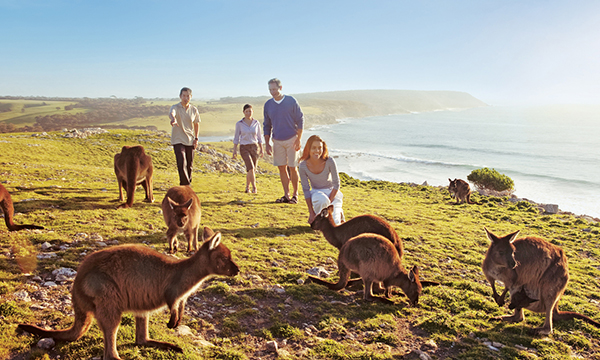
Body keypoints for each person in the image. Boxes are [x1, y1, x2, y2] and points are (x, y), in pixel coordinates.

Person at [263, 78, 304, 204]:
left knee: (293, 167)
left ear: (280, 88)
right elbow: (267, 125)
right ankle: (286, 195)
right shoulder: (268, 105)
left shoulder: (291, 101)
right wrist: (267, 143)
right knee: (281, 168)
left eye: (274, 89)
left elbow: (300, 119)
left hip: (292, 139)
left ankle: (295, 195)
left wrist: (298, 139)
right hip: (277, 141)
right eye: (270, 90)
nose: (272, 92)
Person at [299, 135, 344, 225]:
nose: (317, 151)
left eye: (320, 148)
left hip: (332, 193)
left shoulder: (329, 161)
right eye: (314, 148)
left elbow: (336, 184)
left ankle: (338, 212)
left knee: (335, 224)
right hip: (317, 193)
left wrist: (330, 202)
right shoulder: (303, 166)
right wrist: (311, 213)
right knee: (322, 200)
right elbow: (306, 189)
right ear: (308, 149)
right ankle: (335, 212)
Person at [169, 87, 200, 186]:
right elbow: (171, 113)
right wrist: (173, 119)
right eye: (184, 96)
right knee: (182, 163)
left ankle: (187, 184)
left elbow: (196, 124)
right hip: (178, 139)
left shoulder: (194, 109)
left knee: (189, 165)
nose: (186, 98)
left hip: (190, 140)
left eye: (188, 96)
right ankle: (186, 186)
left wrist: (196, 138)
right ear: (180, 96)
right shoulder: (175, 107)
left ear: (190, 97)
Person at [233, 104, 264, 193]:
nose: (248, 113)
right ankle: (254, 187)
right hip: (244, 147)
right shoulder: (239, 124)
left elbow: (259, 137)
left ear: (252, 111)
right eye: (246, 111)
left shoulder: (256, 123)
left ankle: (247, 187)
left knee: (252, 169)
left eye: (250, 111)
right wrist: (234, 150)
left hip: (254, 147)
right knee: (250, 168)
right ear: (243, 112)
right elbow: (236, 137)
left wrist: (261, 149)